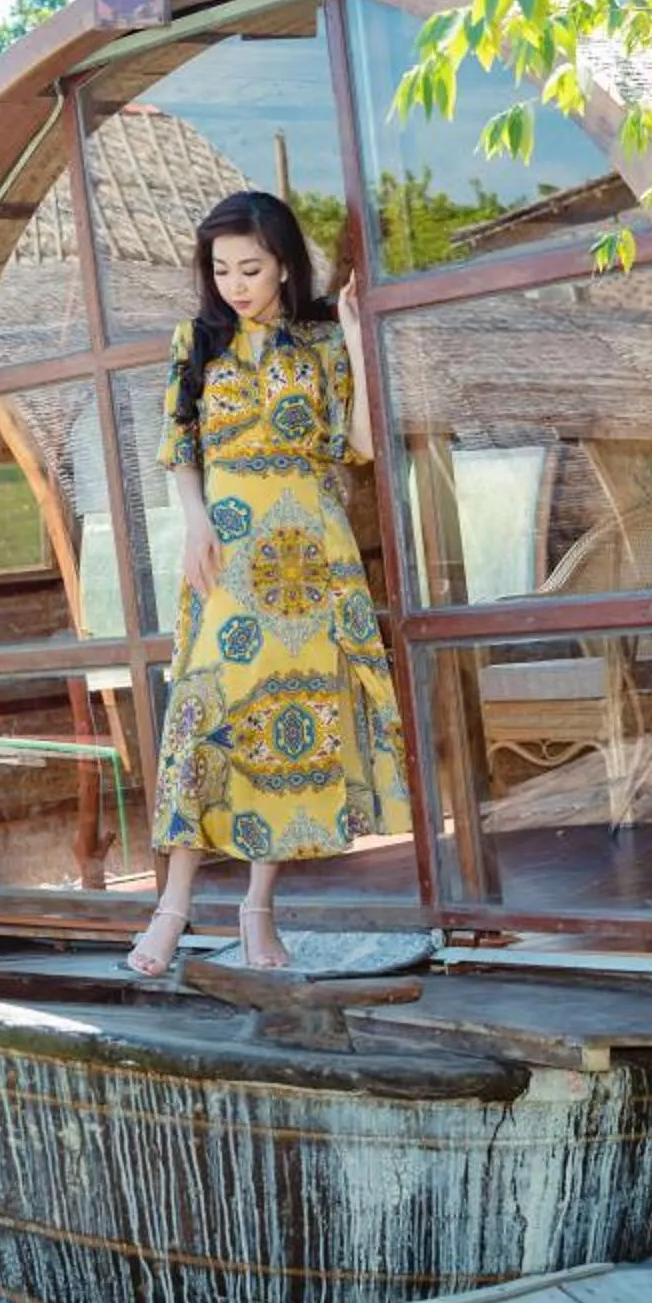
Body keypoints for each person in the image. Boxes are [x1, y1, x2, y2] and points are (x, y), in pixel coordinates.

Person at [127, 190, 410, 974]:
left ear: (284, 263)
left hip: (309, 558)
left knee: (290, 723)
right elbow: (180, 448)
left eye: (250, 269)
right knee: (201, 715)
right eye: (221, 270)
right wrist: (195, 523)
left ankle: (258, 913)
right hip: (224, 551)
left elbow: (358, 445)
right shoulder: (196, 341)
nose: (235, 285)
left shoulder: (321, 342)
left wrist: (356, 340)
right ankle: (172, 911)